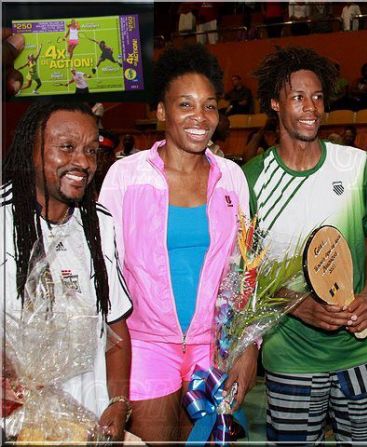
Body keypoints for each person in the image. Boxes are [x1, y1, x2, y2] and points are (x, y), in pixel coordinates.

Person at [98, 44, 256, 443]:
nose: (199, 117)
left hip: (213, 347)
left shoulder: (232, 177)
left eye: (209, 106)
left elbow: (246, 267)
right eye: (185, 105)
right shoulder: (125, 176)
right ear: (162, 112)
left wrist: (249, 346)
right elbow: (103, 263)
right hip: (145, 343)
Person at [245, 46, 367, 444]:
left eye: (318, 97)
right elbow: (244, 274)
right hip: (290, 358)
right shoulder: (251, 180)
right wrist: (297, 305)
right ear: (275, 103)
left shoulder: (356, 165)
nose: (311, 107)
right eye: (297, 97)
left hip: (362, 352)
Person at [1, 101, 133, 441]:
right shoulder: (3, 220)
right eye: (67, 147)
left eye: (91, 150)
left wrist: (118, 403)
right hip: (14, 424)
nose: (83, 162)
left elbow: (115, 326)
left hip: (88, 421)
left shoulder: (98, 224)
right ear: (30, 148)